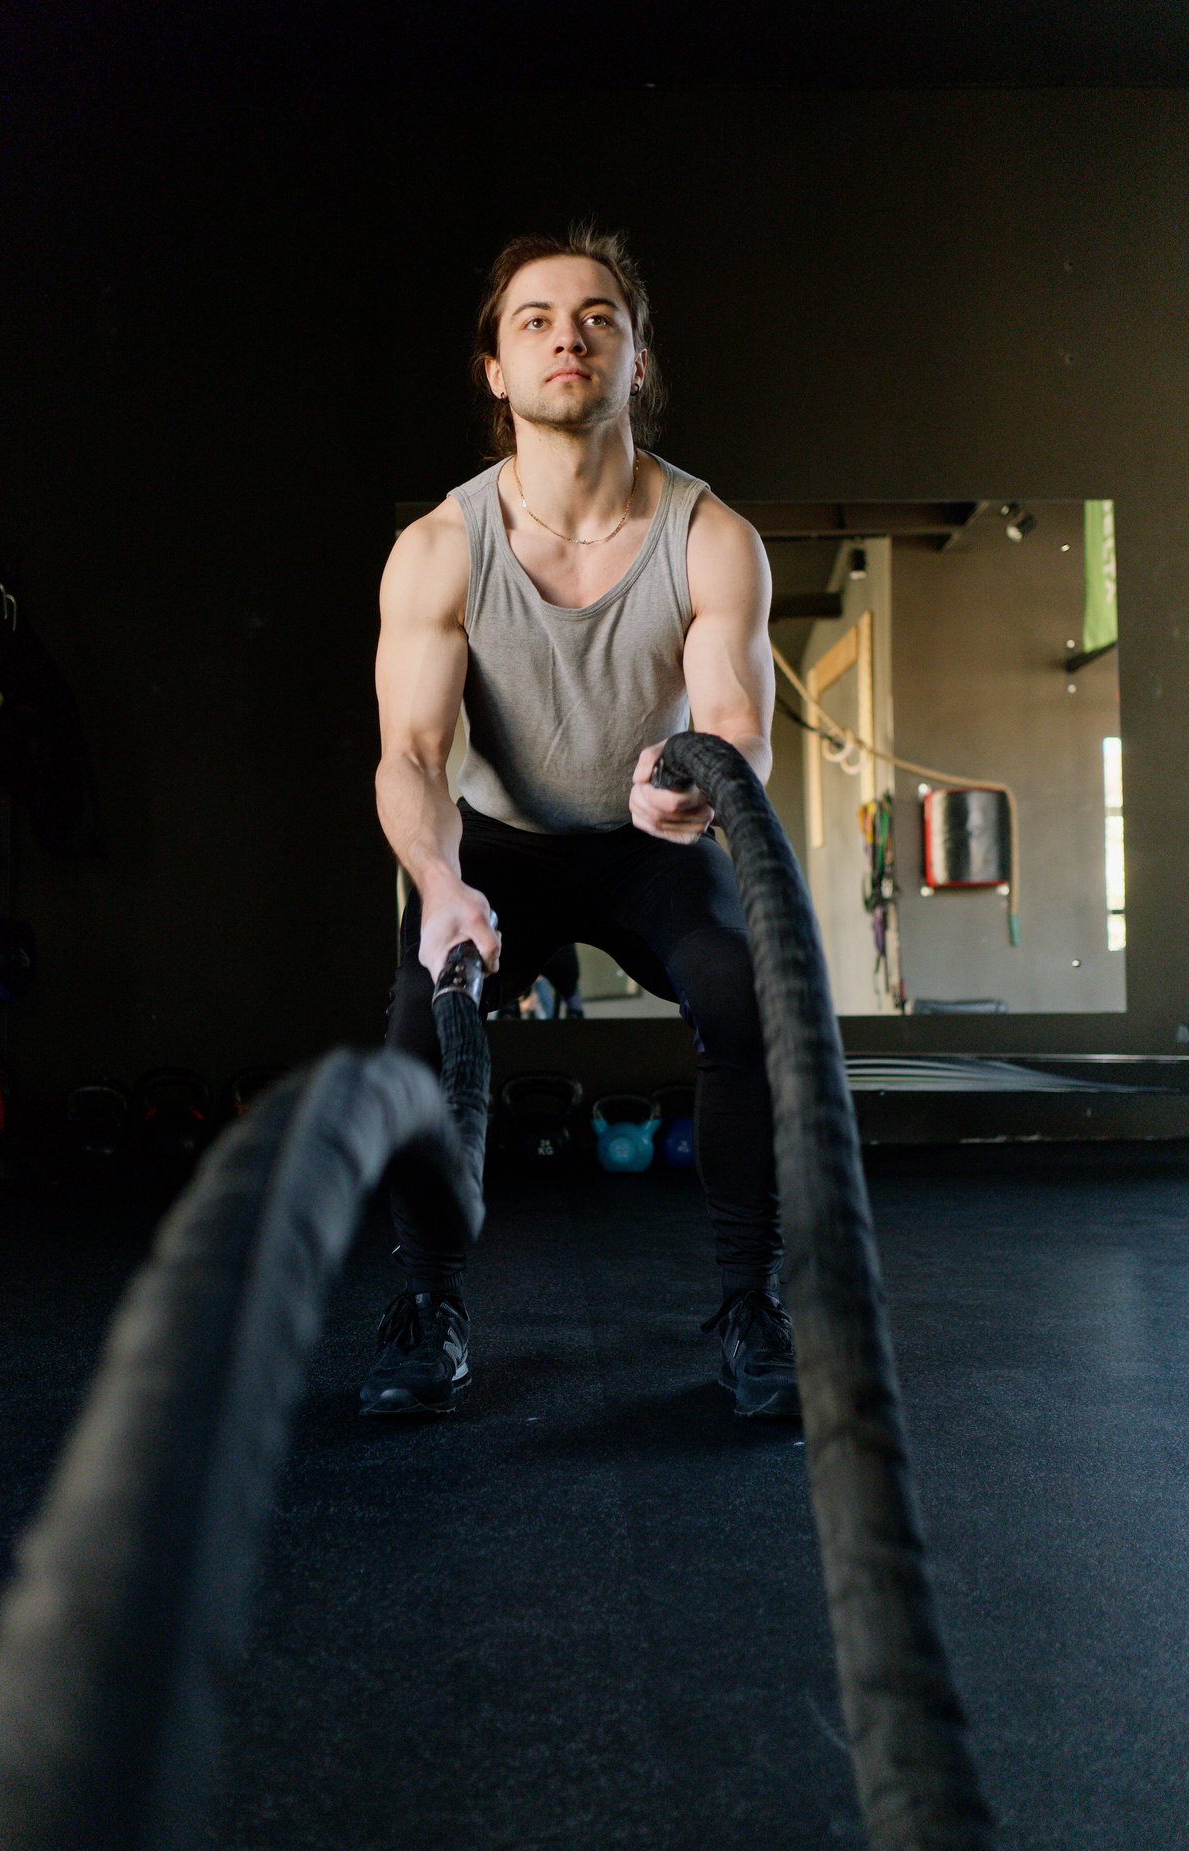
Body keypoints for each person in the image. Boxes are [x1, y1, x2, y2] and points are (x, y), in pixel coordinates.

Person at [366, 224, 798, 1419]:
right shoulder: (441, 549)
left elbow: (738, 726)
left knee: (740, 992)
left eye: (599, 316)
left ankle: (752, 1304)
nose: (571, 335)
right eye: (536, 320)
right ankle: (432, 1306)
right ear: (495, 371)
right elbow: (409, 756)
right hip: (495, 844)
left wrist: (697, 779)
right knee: (417, 1028)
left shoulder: (712, 537)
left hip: (647, 839)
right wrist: (443, 889)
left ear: (637, 361)